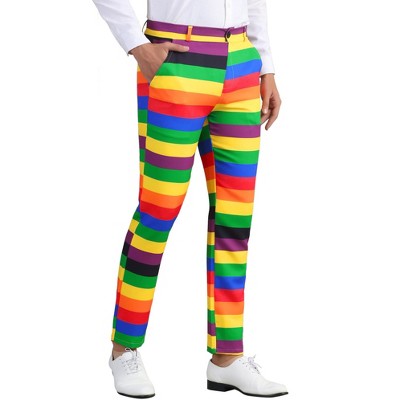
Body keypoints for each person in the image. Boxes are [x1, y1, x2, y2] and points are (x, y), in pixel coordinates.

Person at [92, 0, 287, 397]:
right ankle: (123, 348)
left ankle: (227, 358)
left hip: (241, 63)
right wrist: (135, 44)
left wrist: (265, 64)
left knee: (234, 220)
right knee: (158, 210)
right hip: (176, 60)